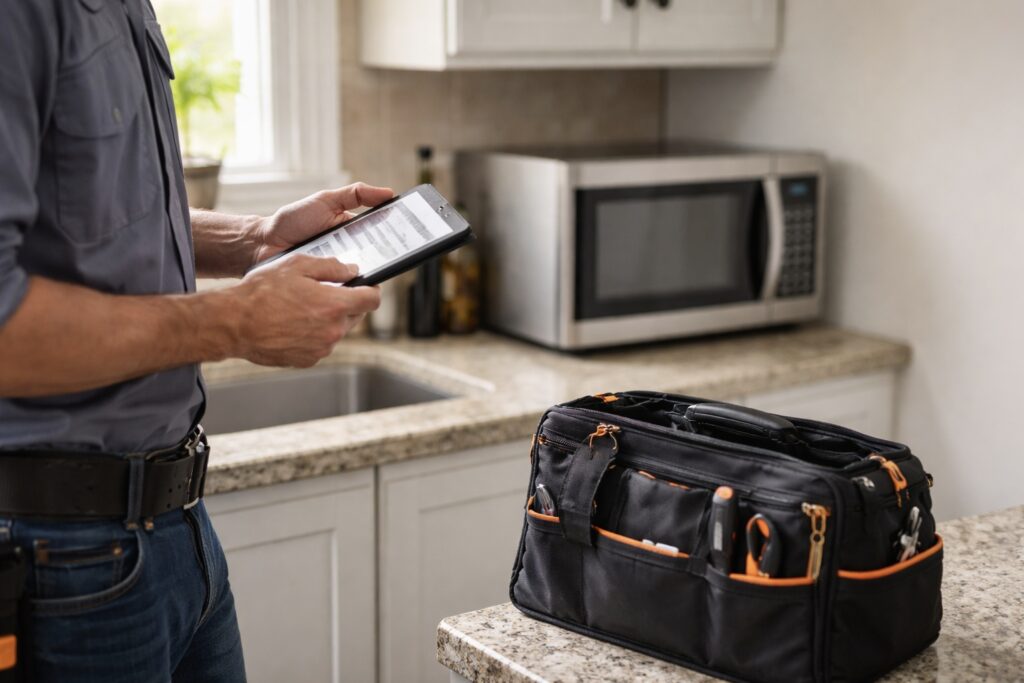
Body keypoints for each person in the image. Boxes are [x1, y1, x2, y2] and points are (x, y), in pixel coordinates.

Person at [0, 1, 388, 680]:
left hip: (178, 529)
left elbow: (94, 204)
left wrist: (253, 239)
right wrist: (233, 320)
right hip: (59, 554)